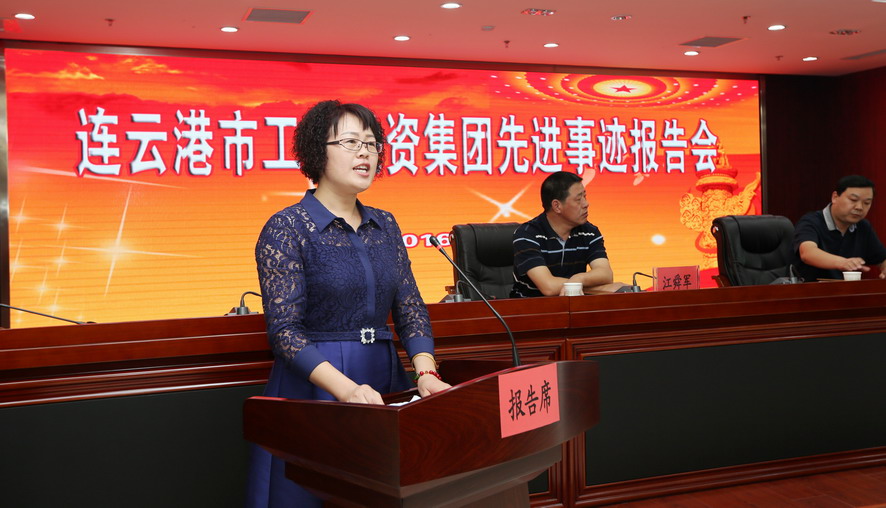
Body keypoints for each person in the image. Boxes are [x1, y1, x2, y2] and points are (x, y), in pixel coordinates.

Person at [245, 100, 450, 508]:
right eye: (351, 142)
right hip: (318, 385)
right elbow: (285, 332)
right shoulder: (286, 228)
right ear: (317, 152)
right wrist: (347, 390)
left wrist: (425, 371)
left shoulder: (385, 224)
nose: (365, 153)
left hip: (384, 377)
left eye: (371, 144)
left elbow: (410, 306)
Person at [511, 171, 625, 297]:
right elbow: (548, 287)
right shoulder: (527, 234)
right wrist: (598, 288)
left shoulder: (589, 232)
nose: (586, 204)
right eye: (578, 199)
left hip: (574, 306)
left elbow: (605, 274)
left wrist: (579, 279)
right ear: (557, 206)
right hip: (532, 306)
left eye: (585, 196)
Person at [793, 174, 886, 281]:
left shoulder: (863, 226)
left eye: (867, 203)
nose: (859, 207)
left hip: (846, 290)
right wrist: (843, 262)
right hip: (808, 289)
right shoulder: (811, 222)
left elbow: (881, 258)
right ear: (835, 197)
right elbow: (807, 253)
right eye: (853, 200)